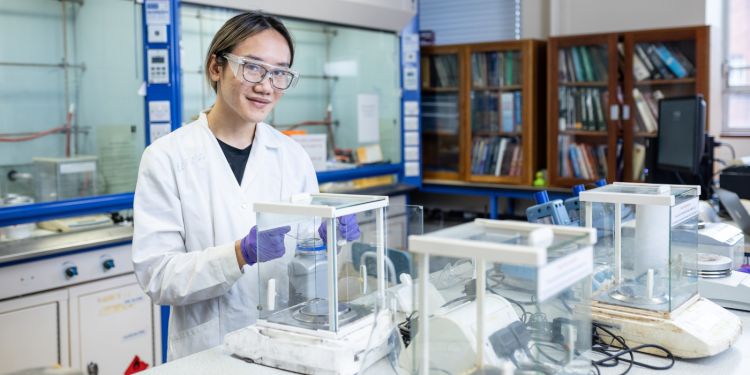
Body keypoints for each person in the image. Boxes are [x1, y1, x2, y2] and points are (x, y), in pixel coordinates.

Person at [132, 11, 357, 361]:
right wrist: (239, 254)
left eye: (280, 73)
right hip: (206, 353)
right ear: (215, 68)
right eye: (253, 67)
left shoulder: (292, 156)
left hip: (287, 346)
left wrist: (332, 242)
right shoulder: (167, 157)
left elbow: (310, 265)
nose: (266, 86)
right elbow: (157, 277)